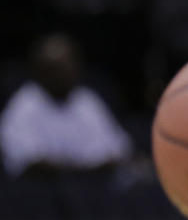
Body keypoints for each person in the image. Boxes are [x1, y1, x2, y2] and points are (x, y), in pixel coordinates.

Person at [0, 33, 132, 177]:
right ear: (39, 72)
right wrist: (82, 168)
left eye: (68, 67)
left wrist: (79, 168)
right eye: (55, 69)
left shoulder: (87, 100)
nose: (64, 75)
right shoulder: (24, 104)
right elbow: (29, 162)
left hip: (93, 189)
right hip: (42, 192)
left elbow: (118, 152)